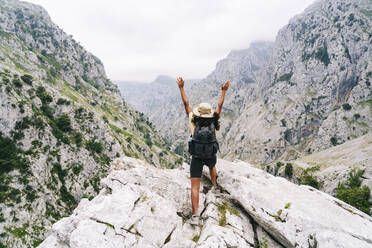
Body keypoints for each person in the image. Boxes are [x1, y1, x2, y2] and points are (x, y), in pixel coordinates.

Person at [176, 77, 229, 225]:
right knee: (212, 166)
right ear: (210, 113)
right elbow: (220, 104)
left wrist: (181, 88)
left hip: (197, 156)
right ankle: (216, 187)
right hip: (210, 154)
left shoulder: (193, 119)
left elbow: (186, 103)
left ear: (199, 113)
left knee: (195, 187)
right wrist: (224, 91)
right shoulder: (214, 119)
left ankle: (195, 216)